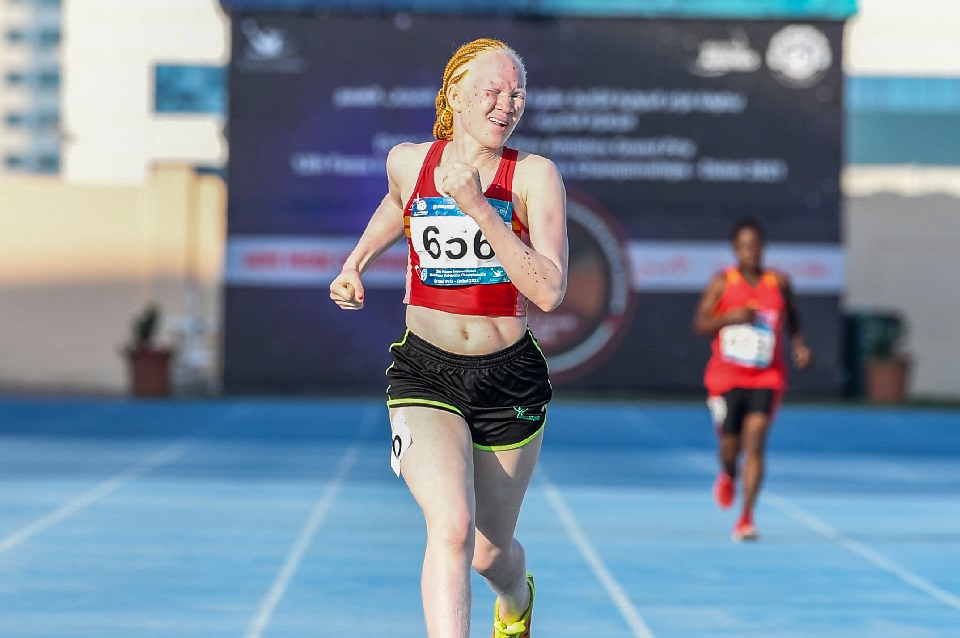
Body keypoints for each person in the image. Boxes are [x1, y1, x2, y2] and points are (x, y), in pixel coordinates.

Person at [330, 38, 567, 638]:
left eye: (516, 93)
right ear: (454, 96)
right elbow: (396, 203)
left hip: (509, 376)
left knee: (490, 553)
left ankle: (515, 598)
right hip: (426, 372)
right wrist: (355, 261)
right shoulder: (410, 162)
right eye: (492, 90)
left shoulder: (533, 177)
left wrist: (481, 208)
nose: (506, 104)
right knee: (452, 526)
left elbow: (549, 291)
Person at [693, 217, 810, 542]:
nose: (750, 252)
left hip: (766, 376)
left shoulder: (779, 282)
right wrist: (730, 317)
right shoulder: (723, 283)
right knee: (730, 447)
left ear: (763, 248)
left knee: (755, 442)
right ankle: (728, 473)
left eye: (755, 246)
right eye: (744, 247)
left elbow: (794, 315)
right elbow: (700, 324)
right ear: (735, 250)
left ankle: (746, 518)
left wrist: (799, 344)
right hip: (727, 377)